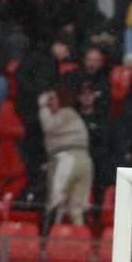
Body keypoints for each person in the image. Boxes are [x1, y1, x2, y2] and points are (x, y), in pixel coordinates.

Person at [39, 86, 92, 226]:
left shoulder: (65, 112)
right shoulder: (73, 114)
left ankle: (51, 235)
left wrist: (42, 107)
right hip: (84, 161)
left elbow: (48, 126)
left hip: (67, 159)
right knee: (78, 207)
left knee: (56, 203)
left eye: (52, 98)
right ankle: (81, 237)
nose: (50, 102)